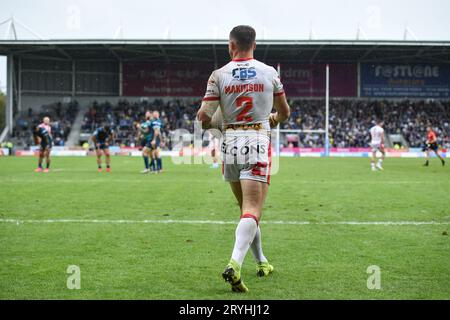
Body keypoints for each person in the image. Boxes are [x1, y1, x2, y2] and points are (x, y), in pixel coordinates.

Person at [196, 25, 290, 292]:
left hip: (230, 142)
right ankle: (234, 265)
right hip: (257, 139)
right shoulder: (269, 72)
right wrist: (273, 118)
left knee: (246, 210)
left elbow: (203, 118)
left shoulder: (218, 75)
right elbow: (285, 112)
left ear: (231, 45)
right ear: (255, 45)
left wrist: (219, 123)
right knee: (253, 209)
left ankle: (262, 262)